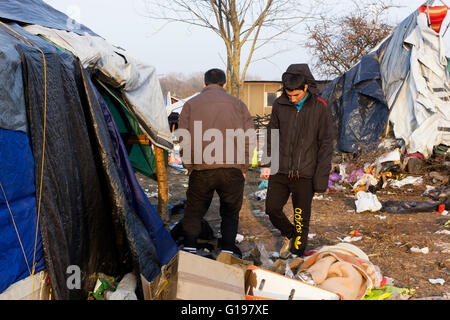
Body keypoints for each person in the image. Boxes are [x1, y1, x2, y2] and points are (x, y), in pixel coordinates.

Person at [177, 68, 255, 258]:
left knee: (194, 210)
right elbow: (249, 137)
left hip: (202, 168)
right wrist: (243, 166)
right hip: (232, 168)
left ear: (204, 84)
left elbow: (183, 137)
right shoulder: (239, 105)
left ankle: (189, 248)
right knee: (230, 211)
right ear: (225, 84)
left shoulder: (190, 104)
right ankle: (227, 250)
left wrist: (189, 165)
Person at [260, 64, 333, 258]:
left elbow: (325, 144)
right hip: (280, 170)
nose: (292, 99)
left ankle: (296, 255)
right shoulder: (279, 105)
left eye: (296, 96)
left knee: (301, 218)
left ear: (306, 88)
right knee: (272, 209)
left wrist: (320, 177)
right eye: (289, 95)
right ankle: (290, 234)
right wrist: (266, 163)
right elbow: (271, 135)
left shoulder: (320, 107)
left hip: (305, 173)